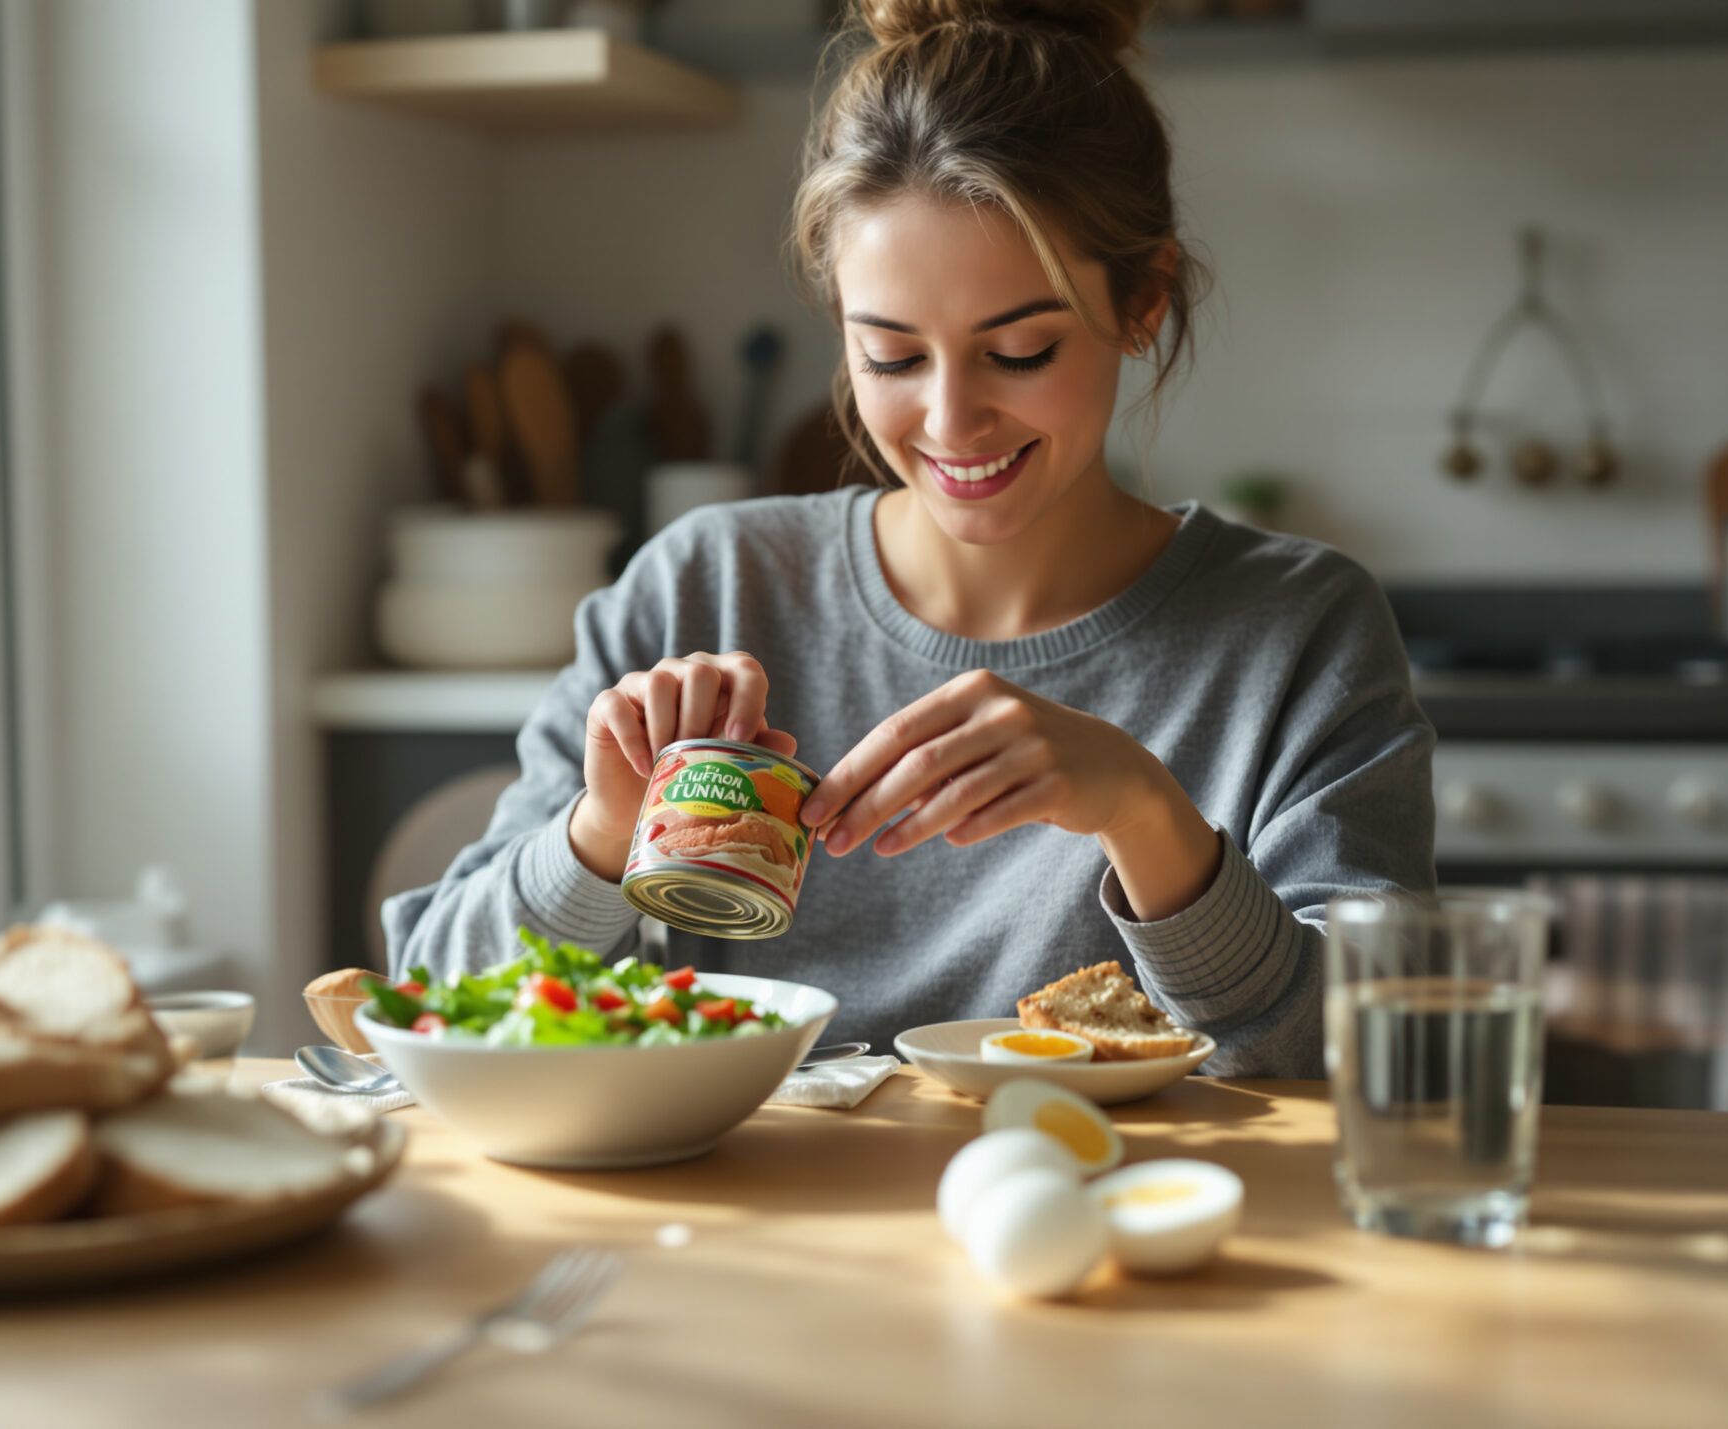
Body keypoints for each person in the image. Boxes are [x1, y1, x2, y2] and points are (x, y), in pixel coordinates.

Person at [384, 0, 1433, 1076]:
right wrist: (597, 839)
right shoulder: (706, 586)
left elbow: (1374, 1053)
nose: (948, 422)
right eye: (889, 356)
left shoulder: (1299, 629)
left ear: (1143, 301)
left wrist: (1142, 812)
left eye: (1019, 350)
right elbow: (421, 999)